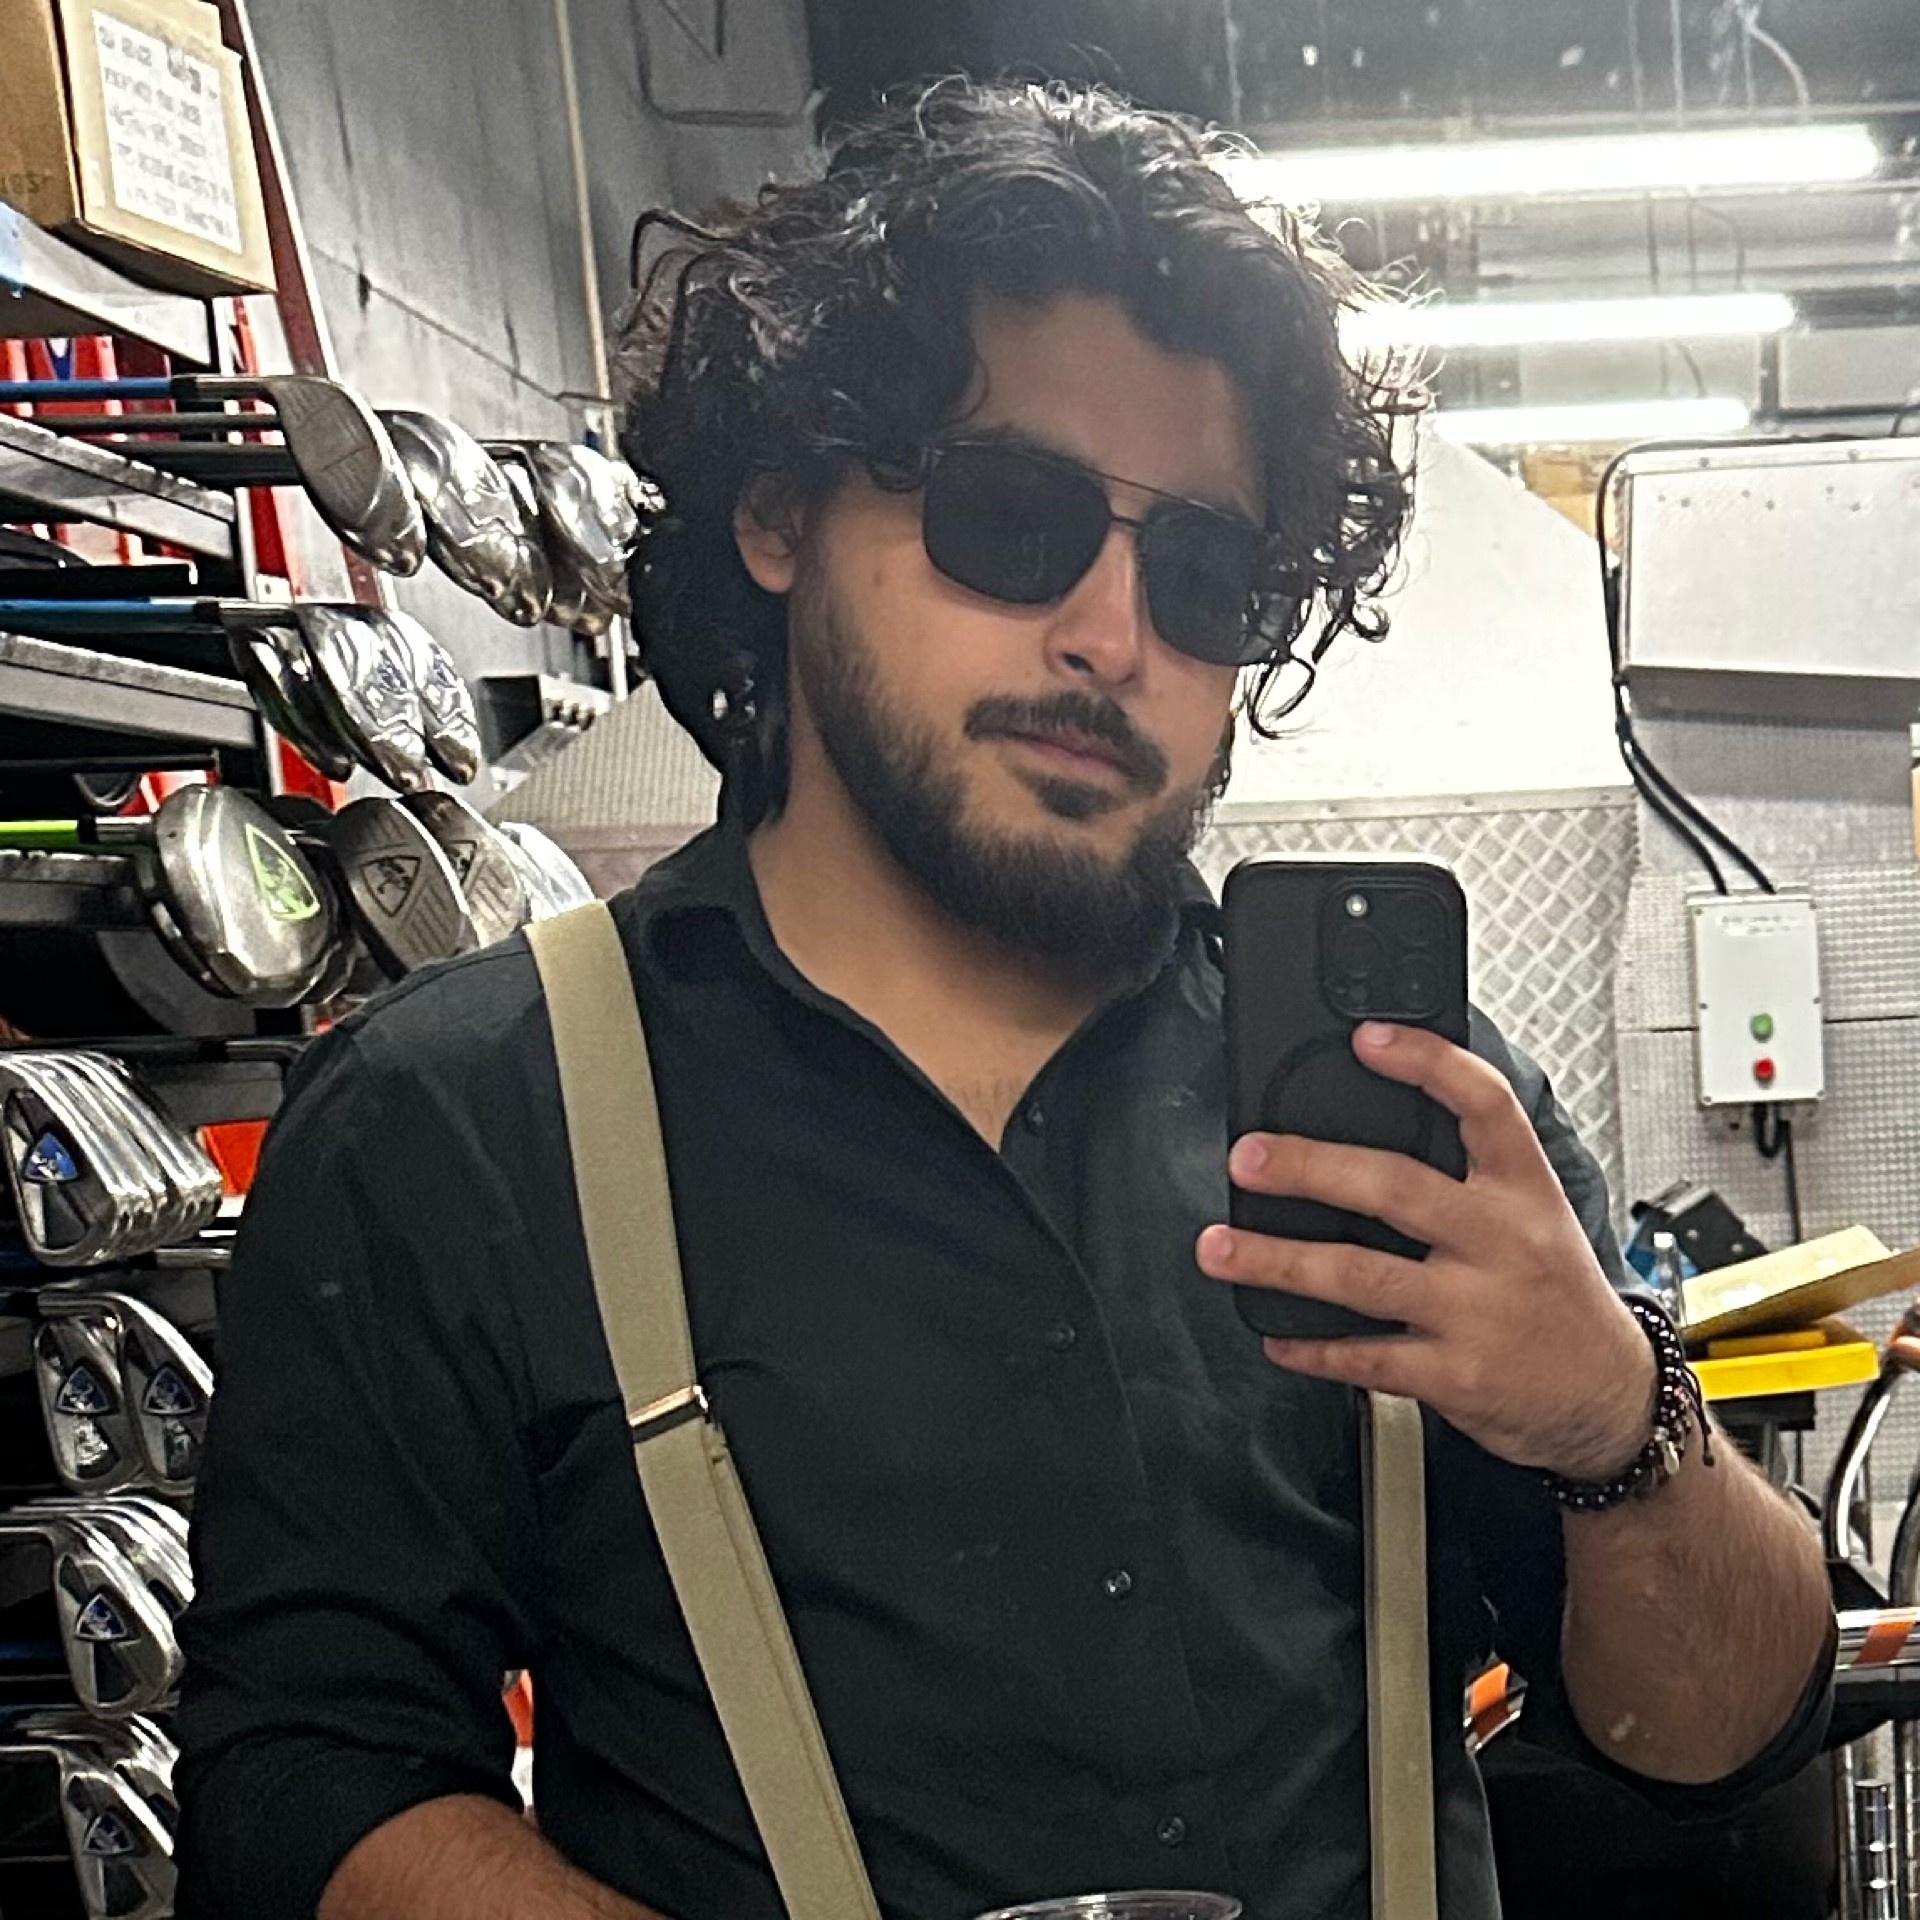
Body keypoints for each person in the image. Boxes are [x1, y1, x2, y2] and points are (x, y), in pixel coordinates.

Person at [175, 78, 1834, 1920]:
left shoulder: (1409, 1114)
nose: (1113, 635)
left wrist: (1614, 1419)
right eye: (1009, 515)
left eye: (1202, 575)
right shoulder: (463, 1125)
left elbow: (1722, 1740)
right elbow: (305, 1776)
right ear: (782, 509)